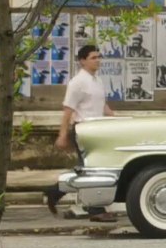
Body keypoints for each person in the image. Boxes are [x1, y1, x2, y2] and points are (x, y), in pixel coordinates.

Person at [45, 45, 117, 222]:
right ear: (82, 61)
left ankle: (54, 192)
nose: (97, 60)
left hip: (98, 130)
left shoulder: (97, 81)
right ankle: (95, 209)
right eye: (93, 57)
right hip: (83, 129)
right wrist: (62, 135)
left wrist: (116, 118)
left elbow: (103, 105)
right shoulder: (77, 82)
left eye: (99, 57)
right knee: (91, 168)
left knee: (87, 168)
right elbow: (68, 110)